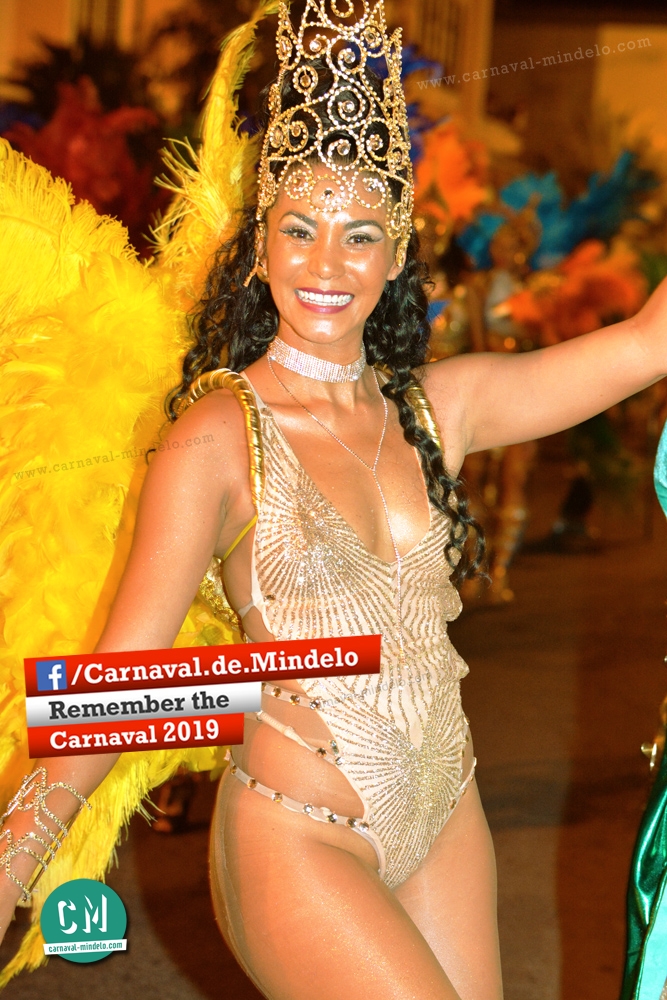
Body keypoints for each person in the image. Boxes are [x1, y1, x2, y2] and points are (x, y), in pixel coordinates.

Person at [3, 2, 667, 998]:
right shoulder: (215, 438)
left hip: (446, 812)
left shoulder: (440, 408)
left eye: (359, 235)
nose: (325, 265)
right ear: (260, 244)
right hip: (298, 836)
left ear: (396, 255)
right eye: (300, 229)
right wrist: (12, 861)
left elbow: (646, 344)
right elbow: (119, 682)